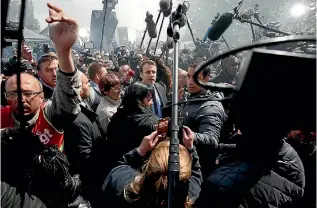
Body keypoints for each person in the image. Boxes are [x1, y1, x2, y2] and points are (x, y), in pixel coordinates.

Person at [1, 2, 81, 152]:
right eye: (13, 94)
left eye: (29, 93)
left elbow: (68, 97)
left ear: (41, 96)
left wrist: (63, 51)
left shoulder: (50, 115)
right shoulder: (2, 119)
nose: (21, 99)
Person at [102, 131, 202, 208]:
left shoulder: (124, 187)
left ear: (148, 165)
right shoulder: (193, 195)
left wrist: (140, 151)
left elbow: (118, 169)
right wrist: (191, 149)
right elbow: (196, 175)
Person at [64, 72, 103, 205]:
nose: (89, 87)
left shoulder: (82, 109)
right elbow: (84, 160)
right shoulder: (78, 122)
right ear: (78, 89)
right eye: (87, 83)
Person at [180, 62, 226, 178]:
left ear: (206, 79)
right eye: (188, 76)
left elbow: (212, 139)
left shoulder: (210, 107)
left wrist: (188, 135)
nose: (190, 82)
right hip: (186, 162)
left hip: (199, 169)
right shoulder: (195, 96)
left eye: (195, 78)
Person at [105, 83, 159, 176]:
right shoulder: (150, 123)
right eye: (149, 99)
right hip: (141, 172)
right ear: (139, 101)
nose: (152, 103)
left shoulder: (115, 119)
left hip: (118, 170)